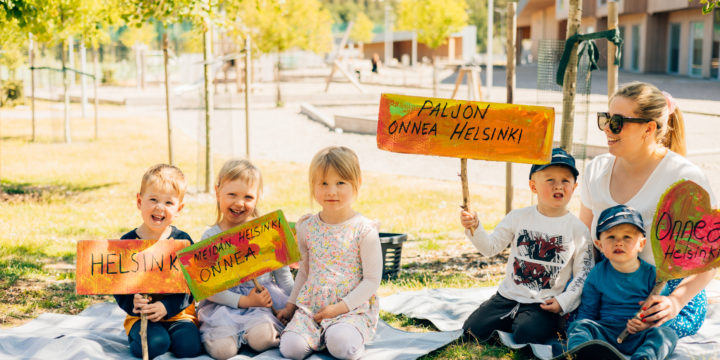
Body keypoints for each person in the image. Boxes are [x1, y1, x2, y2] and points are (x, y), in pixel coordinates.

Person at [580, 82, 717, 337]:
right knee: (571, 324)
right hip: (606, 285)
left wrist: (675, 302)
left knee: (644, 333)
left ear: (649, 128)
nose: (608, 128)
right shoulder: (596, 169)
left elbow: (707, 263)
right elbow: (583, 243)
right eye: (606, 118)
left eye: (618, 121)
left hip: (664, 292)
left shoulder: (685, 179)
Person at [460, 147, 594, 344]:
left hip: (543, 304)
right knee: (471, 331)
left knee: (527, 334)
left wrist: (563, 302)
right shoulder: (518, 217)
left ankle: (529, 324)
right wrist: (475, 227)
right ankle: (510, 320)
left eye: (565, 180)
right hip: (507, 298)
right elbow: (490, 248)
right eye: (550, 180)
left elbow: (584, 273)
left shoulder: (578, 230)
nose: (559, 186)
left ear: (574, 187)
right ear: (533, 186)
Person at [277, 146, 382, 360]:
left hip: (350, 308)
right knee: (291, 349)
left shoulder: (364, 230)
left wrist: (338, 309)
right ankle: (320, 337)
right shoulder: (307, 227)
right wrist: (290, 305)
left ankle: (342, 336)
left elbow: (371, 281)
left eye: (340, 183)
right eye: (323, 183)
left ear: (357, 183)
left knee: (342, 345)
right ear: (313, 186)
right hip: (312, 309)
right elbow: (304, 273)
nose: (331, 191)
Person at [197, 159, 294, 359]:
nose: (239, 203)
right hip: (223, 306)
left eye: (248, 197)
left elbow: (284, 278)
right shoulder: (210, 237)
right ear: (217, 192)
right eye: (232, 194)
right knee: (223, 352)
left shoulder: (268, 232)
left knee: (263, 340)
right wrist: (245, 301)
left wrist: (292, 305)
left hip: (261, 305)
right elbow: (211, 289)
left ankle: (256, 335)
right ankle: (228, 339)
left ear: (258, 198)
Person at [113, 164, 202, 359]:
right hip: (142, 316)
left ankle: (170, 335)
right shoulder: (128, 243)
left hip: (178, 315)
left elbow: (192, 285)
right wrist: (131, 301)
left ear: (179, 208)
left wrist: (167, 307)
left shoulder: (182, 241)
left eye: (168, 203)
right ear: (139, 201)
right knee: (156, 344)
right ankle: (142, 336)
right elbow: (118, 284)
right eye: (153, 199)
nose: (159, 207)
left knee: (190, 347)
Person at [568, 205, 678, 360]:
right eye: (611, 237)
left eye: (627, 237)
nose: (619, 242)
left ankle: (644, 357)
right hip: (605, 333)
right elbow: (588, 312)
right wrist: (582, 331)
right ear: (599, 244)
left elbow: (663, 316)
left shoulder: (653, 276)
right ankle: (582, 354)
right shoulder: (597, 274)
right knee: (579, 326)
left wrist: (647, 325)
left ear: (641, 244)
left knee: (667, 334)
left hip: (640, 334)